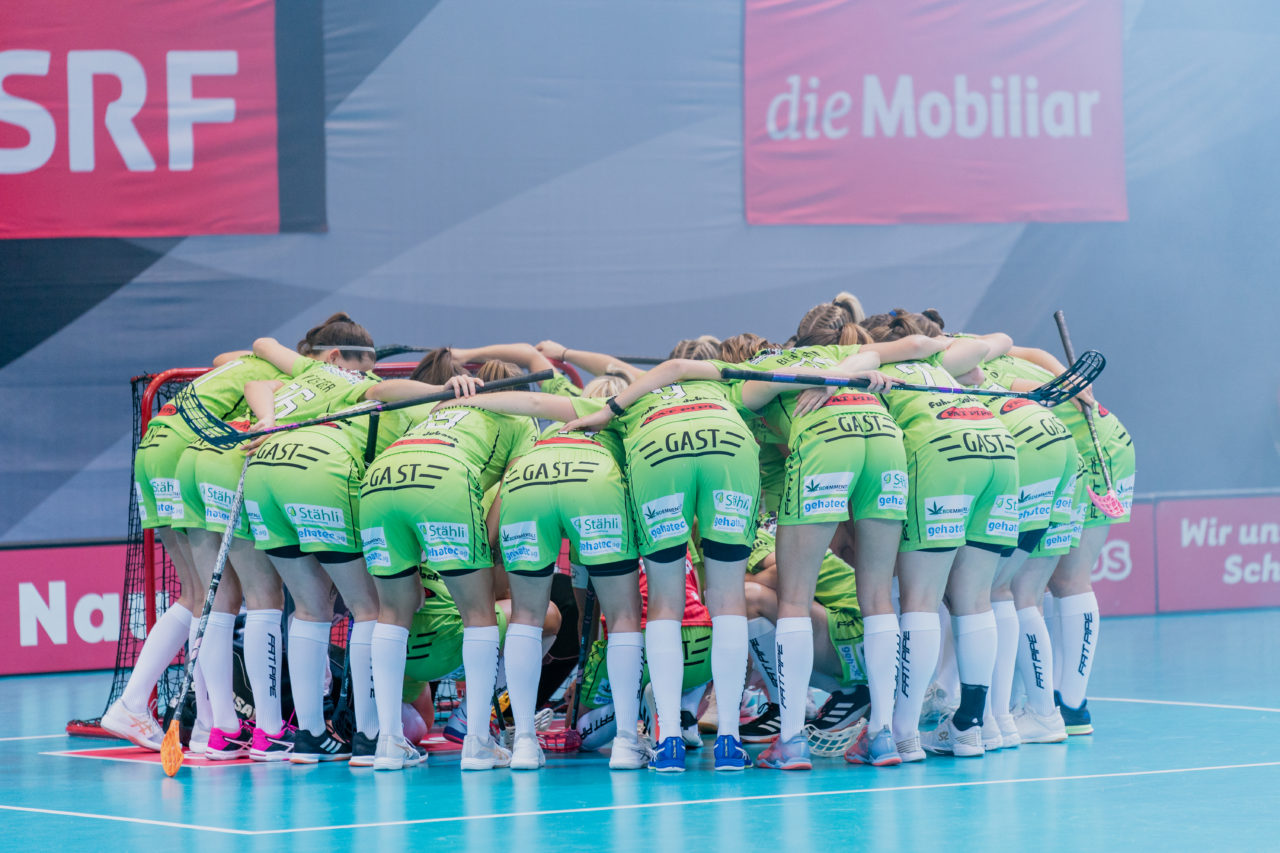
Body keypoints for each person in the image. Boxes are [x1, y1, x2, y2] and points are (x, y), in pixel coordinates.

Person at [563, 346, 891, 771]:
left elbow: (666, 369)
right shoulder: (733, 387)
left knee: (668, 604)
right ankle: (732, 743)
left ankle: (666, 742)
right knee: (732, 601)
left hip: (658, 455)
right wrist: (842, 375)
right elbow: (891, 351)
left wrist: (607, 407)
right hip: (732, 451)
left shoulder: (641, 400)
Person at [441, 343, 651, 770]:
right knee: (625, 616)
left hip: (528, 480)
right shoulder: (632, 413)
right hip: (592, 480)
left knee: (526, 616)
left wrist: (463, 398)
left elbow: (532, 399)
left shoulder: (567, 406)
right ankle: (629, 742)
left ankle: (521, 745)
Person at [359, 348, 537, 771]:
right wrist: (484, 546)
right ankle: (476, 741)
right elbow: (512, 486)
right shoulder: (521, 419)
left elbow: (374, 389)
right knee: (478, 613)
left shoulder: (440, 405)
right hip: (445, 479)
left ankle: (386, 742)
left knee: (391, 612)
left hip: (382, 479)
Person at [103, 346, 280, 751]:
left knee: (198, 594)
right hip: (182, 453)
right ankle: (138, 705)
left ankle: (204, 723)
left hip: (153, 449)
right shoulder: (286, 379)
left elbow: (223, 356)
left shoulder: (246, 362)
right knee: (216, 596)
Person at [862, 310, 1019, 760]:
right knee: (975, 599)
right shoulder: (939, 362)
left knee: (920, 600)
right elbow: (998, 338)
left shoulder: (877, 366)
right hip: (997, 450)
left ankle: (904, 733)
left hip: (942, 454)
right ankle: (969, 726)